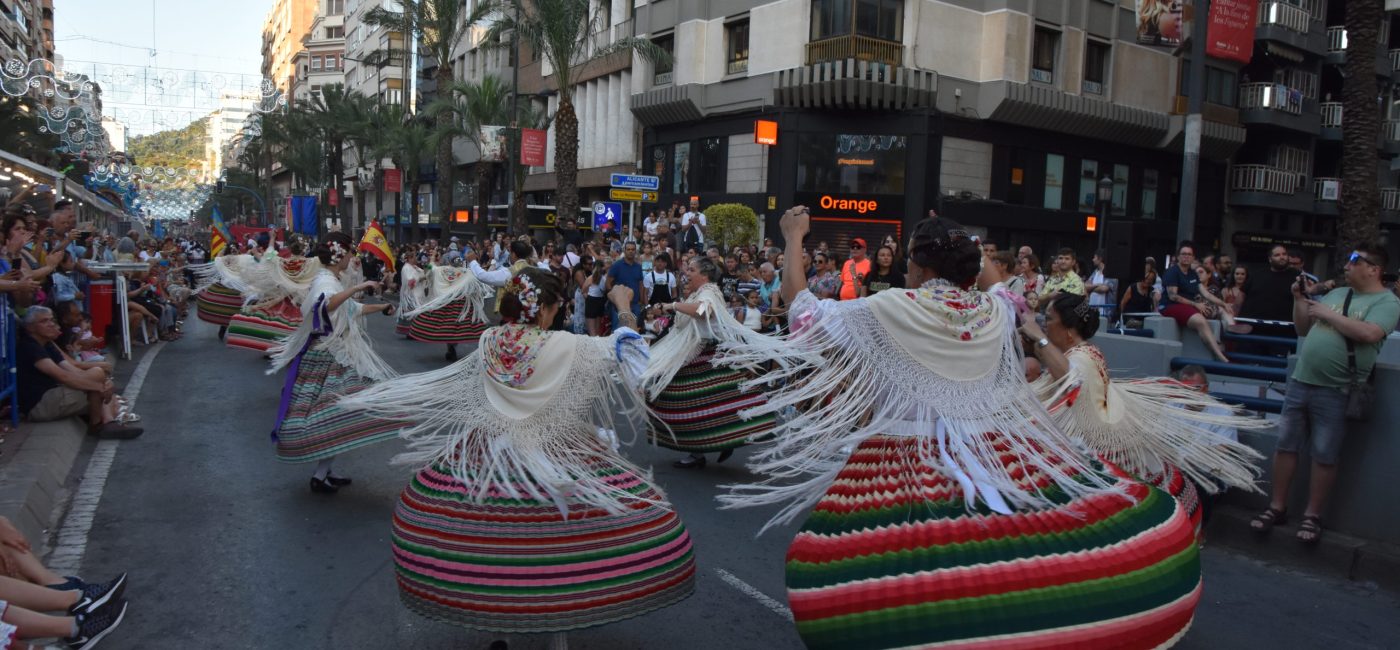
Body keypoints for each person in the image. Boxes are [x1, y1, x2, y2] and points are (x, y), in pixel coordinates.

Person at [716, 208, 1203, 649]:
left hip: (902, 460)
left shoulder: (894, 307)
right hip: (991, 451)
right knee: (1001, 558)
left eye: (910, 260)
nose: (906, 269)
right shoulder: (994, 311)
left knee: (851, 572)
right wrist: (956, 234)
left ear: (923, 269)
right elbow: (998, 287)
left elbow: (801, 310)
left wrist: (794, 235)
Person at [341, 271, 696, 647]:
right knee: (557, 548)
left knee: (498, 544)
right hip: (558, 459)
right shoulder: (568, 345)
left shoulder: (490, 339)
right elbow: (636, 361)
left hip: (491, 459)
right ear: (542, 309)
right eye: (556, 306)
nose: (558, 313)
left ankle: (502, 633)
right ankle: (556, 635)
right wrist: (625, 309)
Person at [1020, 293, 1262, 534]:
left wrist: (1039, 338)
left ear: (1068, 327)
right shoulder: (1078, 354)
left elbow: (1070, 380)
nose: (1044, 325)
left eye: (1048, 319)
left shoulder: (1083, 358)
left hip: (1086, 455)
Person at [1252, 243, 1400, 545]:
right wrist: (1299, 299)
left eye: (1356, 260)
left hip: (1337, 388)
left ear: (1374, 269)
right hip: (1301, 380)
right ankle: (1277, 507)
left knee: (1325, 454)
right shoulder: (1336, 294)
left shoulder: (1387, 302)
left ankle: (1312, 515)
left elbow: (1370, 334)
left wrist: (1325, 314)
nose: (1348, 264)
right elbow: (1303, 328)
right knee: (1286, 446)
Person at [266, 232, 399, 493]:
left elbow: (351, 309)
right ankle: (320, 473)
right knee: (334, 413)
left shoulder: (331, 280)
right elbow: (326, 306)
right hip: (328, 355)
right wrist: (359, 287)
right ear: (340, 255)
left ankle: (323, 471)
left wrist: (380, 307)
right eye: (350, 253)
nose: (352, 258)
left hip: (334, 353)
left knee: (338, 413)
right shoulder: (326, 281)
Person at [640, 256, 777, 469]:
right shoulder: (700, 292)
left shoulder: (709, 292)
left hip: (704, 355)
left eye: (692, 270)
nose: (687, 273)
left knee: (694, 404)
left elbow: (703, 312)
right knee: (699, 405)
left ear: (704, 274)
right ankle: (705, 447)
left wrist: (672, 305)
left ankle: (707, 447)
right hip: (697, 354)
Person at [16, 307, 141, 439]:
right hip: (39, 405)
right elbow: (63, 376)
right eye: (44, 321)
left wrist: (103, 382)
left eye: (52, 320)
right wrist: (99, 386)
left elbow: (73, 370)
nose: (51, 324)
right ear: (31, 327)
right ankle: (101, 424)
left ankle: (104, 422)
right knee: (95, 387)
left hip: (53, 394)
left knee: (96, 377)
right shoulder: (30, 347)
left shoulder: (47, 344)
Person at [406, 260, 493, 362]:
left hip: (445, 301)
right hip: (459, 303)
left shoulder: (441, 270)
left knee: (446, 325)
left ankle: (450, 347)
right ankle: (453, 346)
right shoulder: (465, 272)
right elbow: (476, 282)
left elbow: (430, 269)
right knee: (457, 326)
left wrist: (433, 259)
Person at [1160, 241, 1232, 363]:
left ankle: (1227, 338)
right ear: (1178, 256)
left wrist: (1223, 304)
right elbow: (1173, 296)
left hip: (1187, 306)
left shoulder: (1193, 273)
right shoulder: (1172, 272)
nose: (1186, 256)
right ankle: (1220, 356)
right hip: (1170, 306)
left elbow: (1206, 293)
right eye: (1183, 254)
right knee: (1200, 321)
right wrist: (1196, 305)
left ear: (1193, 257)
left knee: (1217, 311)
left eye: (1189, 254)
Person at [605, 240, 644, 325]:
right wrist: (615, 298)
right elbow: (608, 284)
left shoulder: (638, 267)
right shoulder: (617, 265)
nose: (630, 251)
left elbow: (640, 284)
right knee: (618, 329)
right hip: (619, 305)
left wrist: (641, 301)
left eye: (633, 249)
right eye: (628, 249)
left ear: (635, 251)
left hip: (635, 304)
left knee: (634, 330)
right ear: (624, 251)